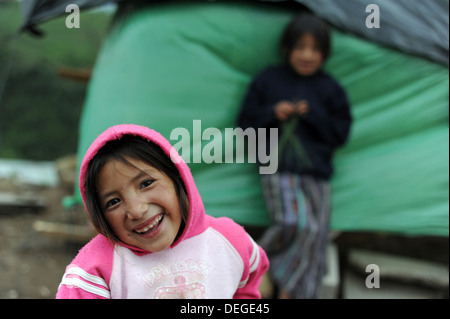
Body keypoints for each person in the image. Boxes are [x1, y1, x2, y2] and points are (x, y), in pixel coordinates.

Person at [56, 124, 269, 299]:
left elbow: (246, 288)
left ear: (179, 179)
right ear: (101, 216)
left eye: (146, 183)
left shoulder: (230, 241)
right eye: (113, 202)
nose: (137, 210)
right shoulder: (95, 269)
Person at [237, 13, 352, 299]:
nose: (307, 55)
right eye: (300, 47)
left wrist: (313, 116)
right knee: (295, 223)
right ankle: (254, 262)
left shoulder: (331, 89)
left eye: (314, 49)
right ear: (287, 48)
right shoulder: (268, 80)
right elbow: (244, 124)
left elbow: (340, 134)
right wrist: (272, 113)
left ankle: (286, 291)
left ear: (324, 54)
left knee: (316, 236)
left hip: (317, 173)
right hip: (277, 166)